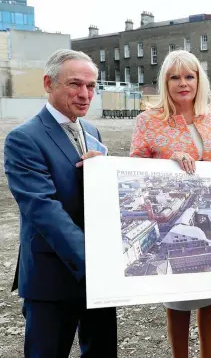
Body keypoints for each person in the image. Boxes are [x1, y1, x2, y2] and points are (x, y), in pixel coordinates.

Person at [130, 49, 211, 358]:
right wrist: (170, 160)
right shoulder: (148, 120)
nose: (183, 83)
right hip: (175, 215)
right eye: (174, 77)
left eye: (189, 76)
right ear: (165, 82)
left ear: (199, 80)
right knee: (178, 301)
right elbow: (135, 166)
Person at [4, 49, 117, 358]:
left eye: (92, 86)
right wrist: (96, 262)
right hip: (52, 276)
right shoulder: (23, 139)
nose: (85, 94)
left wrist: (107, 173)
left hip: (98, 280)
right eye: (75, 84)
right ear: (48, 83)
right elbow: (44, 210)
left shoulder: (91, 130)